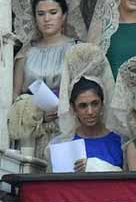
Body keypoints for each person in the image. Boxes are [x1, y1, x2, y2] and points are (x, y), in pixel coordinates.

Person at [9, 0, 86, 159]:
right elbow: (14, 98)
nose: (47, 18)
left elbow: (86, 93)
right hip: (31, 135)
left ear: (64, 15)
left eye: (53, 12)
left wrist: (64, 108)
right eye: (41, 13)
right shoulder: (25, 53)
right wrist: (34, 113)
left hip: (67, 129)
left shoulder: (76, 49)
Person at [49, 43, 122, 172]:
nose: (90, 112)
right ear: (73, 108)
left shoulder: (120, 141)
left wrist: (94, 166)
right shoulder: (63, 145)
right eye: (83, 106)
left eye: (95, 104)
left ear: (102, 103)